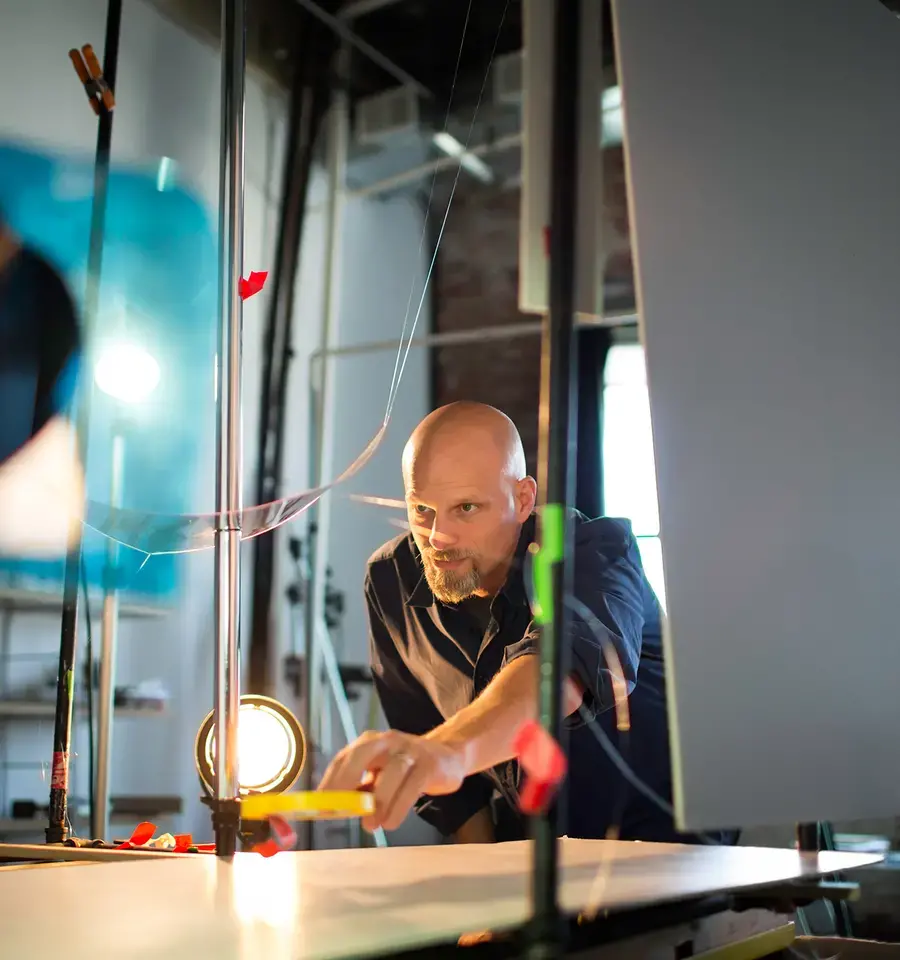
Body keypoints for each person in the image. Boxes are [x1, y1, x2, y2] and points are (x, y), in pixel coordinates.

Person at [320, 401, 735, 845]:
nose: (438, 537)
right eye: (422, 510)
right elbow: (445, 773)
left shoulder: (598, 556)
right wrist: (484, 894)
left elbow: (554, 675)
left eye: (465, 508)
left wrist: (445, 752)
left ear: (522, 499)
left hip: (671, 858)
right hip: (531, 860)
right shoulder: (391, 580)